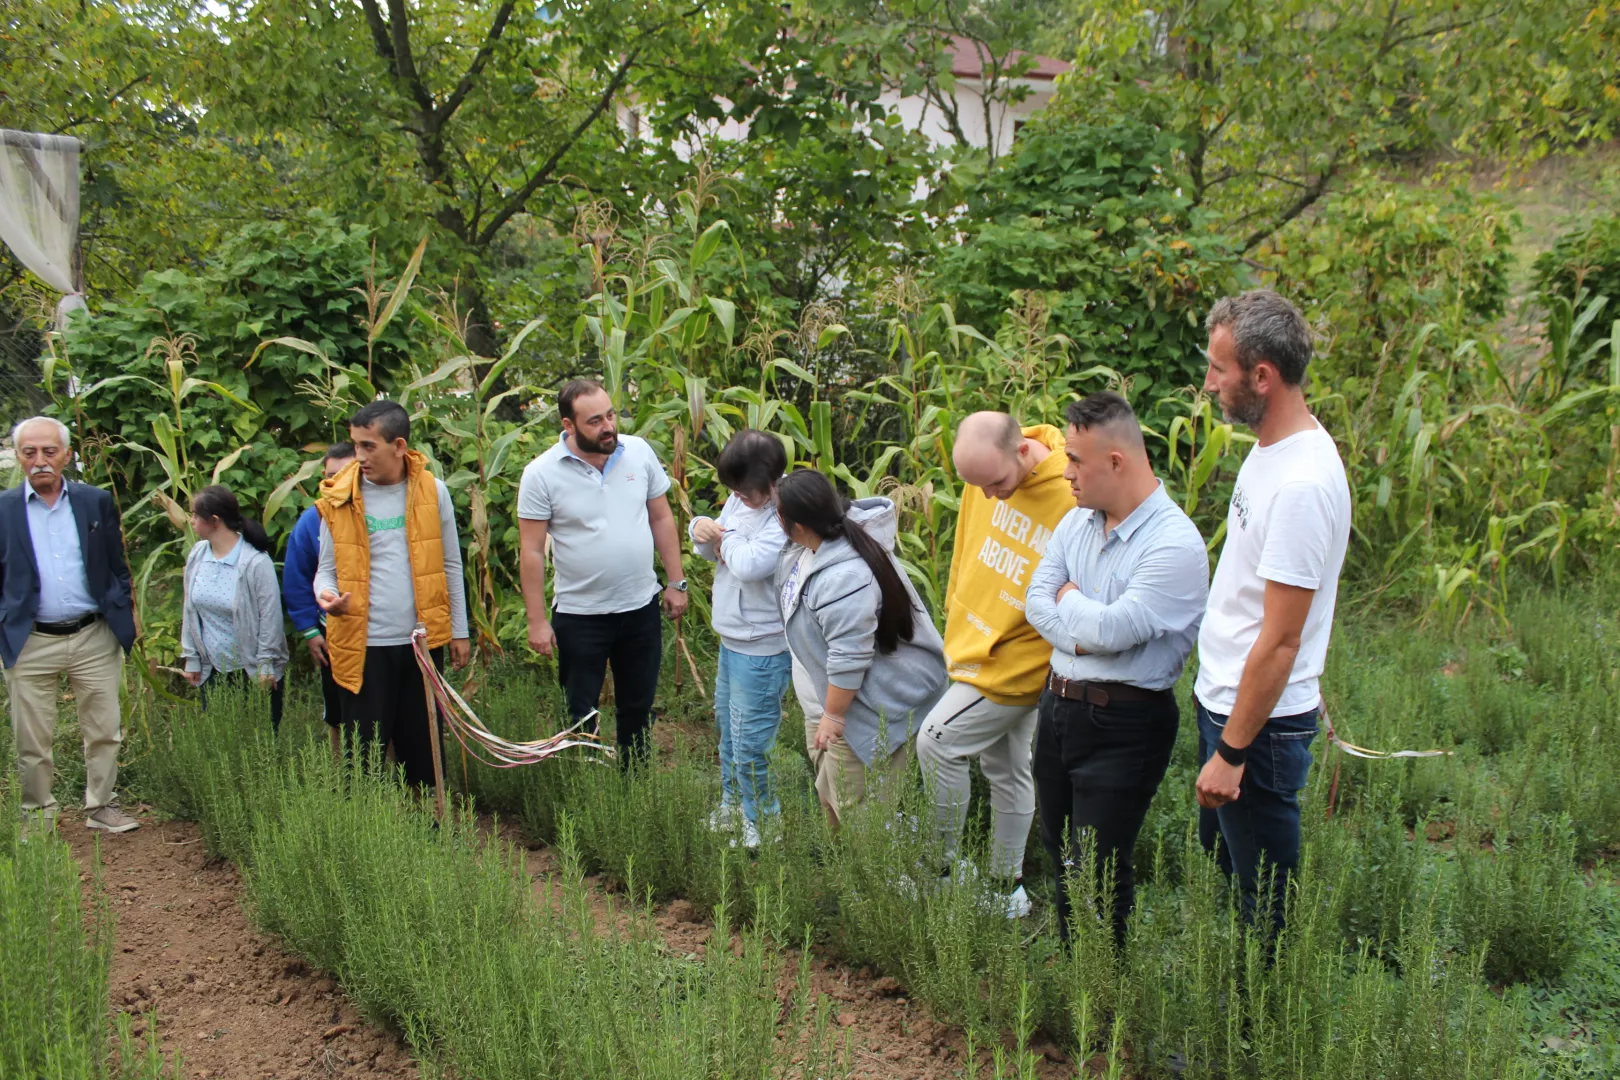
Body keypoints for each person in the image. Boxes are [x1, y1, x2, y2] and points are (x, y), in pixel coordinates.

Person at [1193, 289, 1350, 937]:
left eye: (1218, 370)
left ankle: (1258, 1029)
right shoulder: (1273, 450)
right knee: (1229, 872)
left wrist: (1233, 750)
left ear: (1263, 376)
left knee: (1264, 908)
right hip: (1233, 703)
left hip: (1253, 728)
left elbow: (1282, 640)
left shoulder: (1302, 485)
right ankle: (1238, 1006)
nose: (1208, 385)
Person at [1025, 393, 1208, 946]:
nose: (1065, 472)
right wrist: (1083, 634)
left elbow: (1113, 631)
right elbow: (1036, 600)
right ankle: (1074, 978)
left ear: (1116, 462)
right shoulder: (1077, 522)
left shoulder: (1174, 544)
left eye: (1076, 459)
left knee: (1100, 871)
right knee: (1060, 859)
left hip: (1124, 724)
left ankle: (1102, 1006)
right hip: (1057, 709)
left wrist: (1072, 609)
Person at [915, 412, 1072, 918]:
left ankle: (938, 872)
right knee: (1007, 766)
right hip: (974, 644)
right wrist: (956, 608)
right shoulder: (983, 479)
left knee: (937, 740)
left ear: (1023, 450)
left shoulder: (1071, 494)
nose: (989, 497)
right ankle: (1006, 889)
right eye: (977, 486)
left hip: (1019, 661)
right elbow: (966, 550)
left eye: (997, 483)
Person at [517, 379, 689, 764]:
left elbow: (661, 516)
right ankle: (587, 789)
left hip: (640, 608)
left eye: (610, 414)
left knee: (638, 707)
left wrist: (676, 582)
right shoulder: (541, 473)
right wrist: (536, 621)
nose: (608, 426)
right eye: (594, 421)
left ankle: (634, 785)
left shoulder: (638, 452)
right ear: (569, 425)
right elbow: (530, 551)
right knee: (580, 713)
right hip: (580, 615)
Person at [774, 469, 947, 830]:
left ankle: (876, 884)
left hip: (858, 711)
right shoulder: (810, 547)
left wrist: (834, 716)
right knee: (830, 797)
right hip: (825, 703)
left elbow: (848, 656)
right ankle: (846, 881)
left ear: (798, 524)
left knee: (858, 815)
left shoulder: (844, 578)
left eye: (777, 512)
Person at [314, 401, 471, 789]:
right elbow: (326, 570)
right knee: (363, 755)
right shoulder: (340, 496)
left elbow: (451, 564)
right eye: (356, 446)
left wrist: (459, 630)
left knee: (423, 748)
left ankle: (432, 829)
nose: (360, 457)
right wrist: (327, 596)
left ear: (399, 446)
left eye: (369, 446)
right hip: (362, 646)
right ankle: (370, 837)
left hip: (421, 643)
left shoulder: (433, 493)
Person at [0, 417, 139, 834]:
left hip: (92, 634)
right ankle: (37, 815)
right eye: (30, 453)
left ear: (66, 455)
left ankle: (102, 806)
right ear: (19, 457)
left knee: (103, 729)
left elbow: (117, 563)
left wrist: (122, 605)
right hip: (29, 639)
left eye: (49, 452)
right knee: (32, 739)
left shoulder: (93, 501)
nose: (40, 461)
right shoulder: (4, 509)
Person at [689, 430, 792, 848]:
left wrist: (723, 537)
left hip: (763, 647)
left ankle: (763, 822)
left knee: (752, 739)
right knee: (729, 730)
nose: (739, 499)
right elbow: (707, 548)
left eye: (747, 493)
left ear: (771, 483)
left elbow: (750, 565)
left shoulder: (783, 513)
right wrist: (700, 528)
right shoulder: (740, 501)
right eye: (734, 492)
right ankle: (734, 805)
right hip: (732, 639)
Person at [181, 485, 289, 727]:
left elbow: (270, 617)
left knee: (258, 742)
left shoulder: (255, 562)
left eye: (196, 515)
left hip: (251, 670)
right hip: (213, 668)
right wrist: (192, 658)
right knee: (220, 742)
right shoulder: (198, 555)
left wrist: (265, 665)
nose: (192, 520)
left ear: (215, 521)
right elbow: (189, 609)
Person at [283, 443, 357, 755]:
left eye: (345, 474)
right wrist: (311, 630)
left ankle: (394, 781)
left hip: (381, 629)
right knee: (337, 708)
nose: (336, 483)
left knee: (386, 708)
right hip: (334, 631)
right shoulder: (312, 520)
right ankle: (342, 779)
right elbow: (298, 576)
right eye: (329, 476)